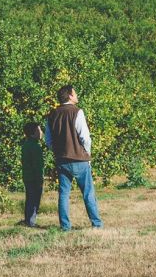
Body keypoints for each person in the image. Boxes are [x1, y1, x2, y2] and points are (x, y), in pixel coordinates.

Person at [45, 84, 103, 231]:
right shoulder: (77, 112)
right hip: (79, 159)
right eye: (75, 93)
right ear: (70, 96)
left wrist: (58, 152)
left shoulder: (51, 115)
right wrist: (87, 155)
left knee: (64, 194)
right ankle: (96, 224)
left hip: (62, 160)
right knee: (88, 193)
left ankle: (65, 226)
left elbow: (48, 141)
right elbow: (85, 137)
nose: (76, 95)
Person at [21, 122, 45, 227]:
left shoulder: (26, 144)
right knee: (34, 200)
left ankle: (28, 220)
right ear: (32, 133)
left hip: (27, 176)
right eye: (39, 130)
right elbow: (37, 165)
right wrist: (40, 177)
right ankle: (31, 221)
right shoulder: (35, 147)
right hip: (34, 177)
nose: (41, 133)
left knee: (29, 198)